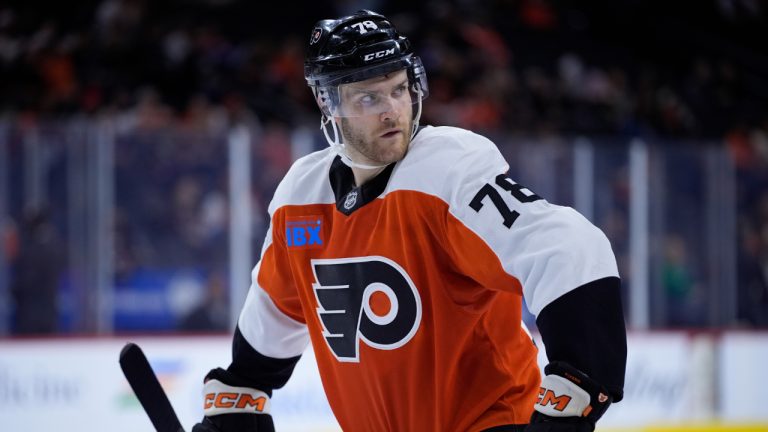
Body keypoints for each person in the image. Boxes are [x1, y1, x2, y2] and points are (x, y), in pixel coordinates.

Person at [193, 10, 626, 432]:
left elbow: (570, 249)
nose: (392, 111)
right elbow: (274, 311)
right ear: (329, 103)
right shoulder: (299, 199)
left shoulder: (448, 170)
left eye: (399, 89)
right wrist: (241, 389)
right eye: (369, 97)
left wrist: (577, 383)